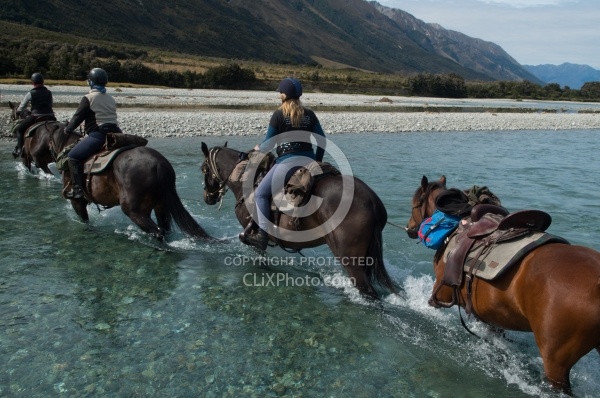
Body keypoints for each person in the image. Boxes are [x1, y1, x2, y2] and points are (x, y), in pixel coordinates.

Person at [243, 77, 326, 250]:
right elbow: (322, 140)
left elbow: (269, 144)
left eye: (280, 92)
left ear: (284, 95)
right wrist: (318, 161)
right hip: (309, 162)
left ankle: (262, 236)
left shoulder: (279, 115)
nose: (279, 94)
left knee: (260, 194)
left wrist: (258, 148)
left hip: (287, 164)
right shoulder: (309, 114)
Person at [63, 67, 122, 199]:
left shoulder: (88, 98)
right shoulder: (110, 98)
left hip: (100, 134)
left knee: (73, 157)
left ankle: (78, 190)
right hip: (117, 134)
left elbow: (78, 117)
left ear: (91, 82)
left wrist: (68, 129)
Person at [12, 73, 56, 158]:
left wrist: (18, 111)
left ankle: (20, 150)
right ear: (43, 82)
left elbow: (22, 107)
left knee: (19, 130)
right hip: (50, 116)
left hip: (36, 116)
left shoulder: (31, 93)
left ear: (32, 82)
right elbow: (50, 104)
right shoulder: (49, 92)